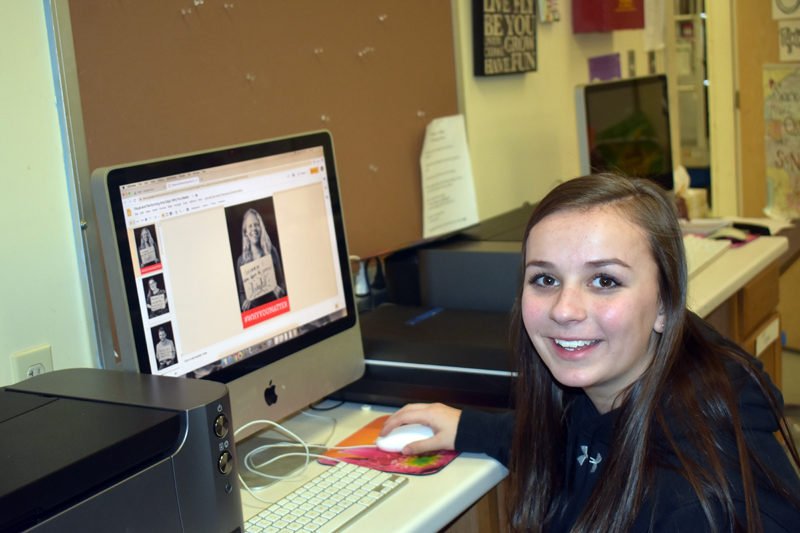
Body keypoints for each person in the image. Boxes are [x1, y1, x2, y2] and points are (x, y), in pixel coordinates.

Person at [381, 174, 800, 532]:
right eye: (545, 279)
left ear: (665, 306)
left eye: (604, 281)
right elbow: (569, 440)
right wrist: (468, 427)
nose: (564, 310)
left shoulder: (692, 501)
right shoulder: (610, 397)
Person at [236, 207, 286, 311]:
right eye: (250, 226)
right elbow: (241, 292)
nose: (253, 229)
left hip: (275, 307)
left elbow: (282, 282)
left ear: (261, 227)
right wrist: (244, 302)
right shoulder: (241, 261)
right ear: (245, 232)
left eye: (256, 224)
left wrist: (281, 291)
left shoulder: (271, 251)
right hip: (256, 313)